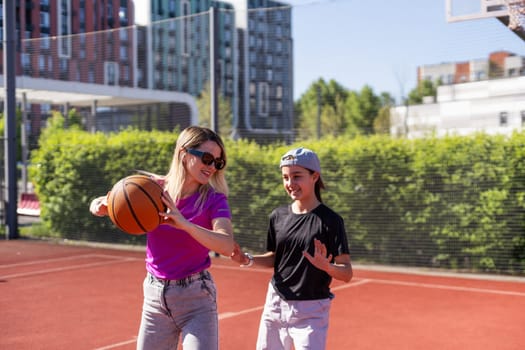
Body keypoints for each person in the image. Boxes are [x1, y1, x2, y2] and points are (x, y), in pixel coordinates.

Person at [90, 126, 234, 350]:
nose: (212, 167)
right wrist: (101, 205)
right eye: (207, 159)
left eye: (218, 162)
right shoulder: (151, 189)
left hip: (196, 297)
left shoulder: (214, 200)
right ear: (184, 153)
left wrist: (185, 224)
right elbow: (104, 201)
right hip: (154, 296)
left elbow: (226, 245)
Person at [231, 147, 353, 350]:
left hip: (312, 310)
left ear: (314, 176)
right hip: (276, 305)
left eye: (297, 176)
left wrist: (326, 266)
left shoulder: (331, 221)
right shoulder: (277, 216)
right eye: (285, 177)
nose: (290, 184)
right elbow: (274, 258)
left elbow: (347, 273)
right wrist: (247, 259)